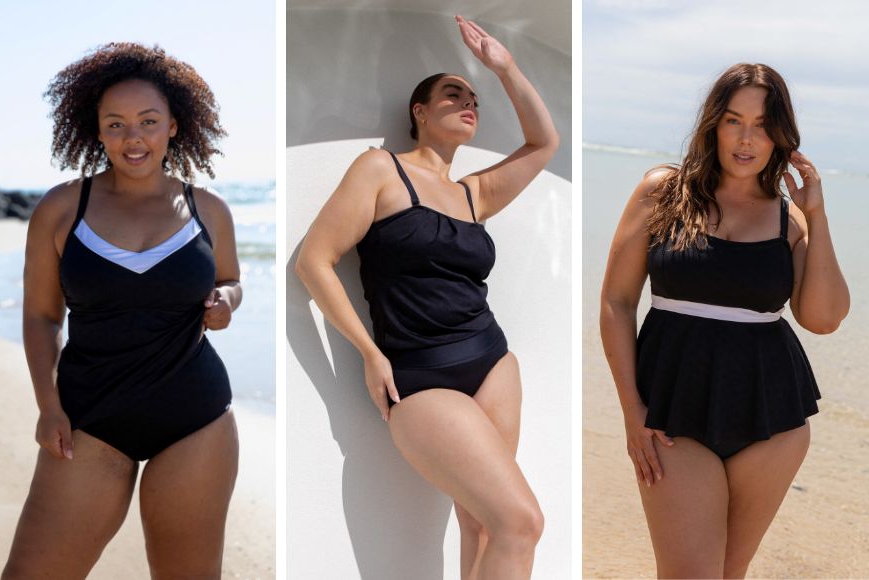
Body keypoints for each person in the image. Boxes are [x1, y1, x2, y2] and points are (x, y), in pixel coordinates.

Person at [296, 15, 559, 580]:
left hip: (492, 362)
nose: (468, 102)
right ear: (419, 112)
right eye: (452, 94)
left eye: (473, 99)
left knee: (485, 526)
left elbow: (544, 143)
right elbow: (312, 260)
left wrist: (503, 66)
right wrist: (370, 353)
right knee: (523, 522)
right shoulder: (380, 170)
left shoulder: (475, 193)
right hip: (418, 376)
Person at [600, 63, 849, 578]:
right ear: (713, 123)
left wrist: (817, 216)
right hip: (672, 412)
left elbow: (822, 320)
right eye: (734, 120)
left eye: (761, 125)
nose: (746, 138)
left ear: (779, 134)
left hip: (772, 421)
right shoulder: (662, 190)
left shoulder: (791, 219)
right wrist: (632, 412)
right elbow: (617, 303)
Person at [3, 43, 241, 578]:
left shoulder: (210, 210)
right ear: (97, 130)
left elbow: (230, 279)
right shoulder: (63, 208)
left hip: (194, 419)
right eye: (116, 124)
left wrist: (226, 301)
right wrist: (48, 406)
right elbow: (42, 315)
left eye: (148, 121)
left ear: (175, 126)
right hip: (89, 417)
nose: (133, 138)